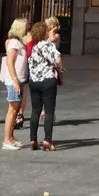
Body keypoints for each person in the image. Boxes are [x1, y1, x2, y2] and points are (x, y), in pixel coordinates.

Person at [26, 17, 61, 151]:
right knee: (49, 111)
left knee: (35, 111)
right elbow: (58, 60)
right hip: (47, 80)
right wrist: (59, 69)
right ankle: (47, 140)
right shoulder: (48, 45)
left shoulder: (33, 46)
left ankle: (32, 139)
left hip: (34, 81)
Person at [0, 15, 28, 149]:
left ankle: (11, 136)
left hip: (19, 80)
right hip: (13, 81)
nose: (27, 28)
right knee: (12, 110)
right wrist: (15, 81)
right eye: (26, 26)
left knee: (16, 110)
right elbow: (10, 62)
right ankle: (6, 139)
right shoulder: (14, 43)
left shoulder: (19, 42)